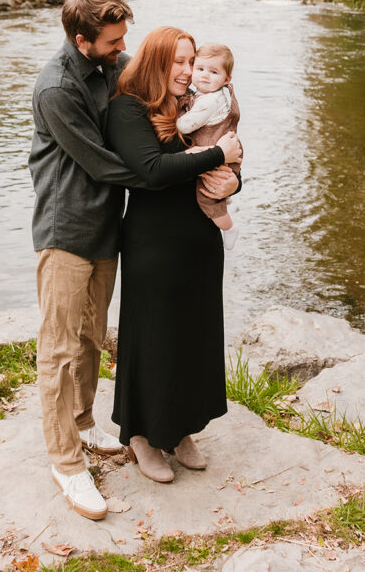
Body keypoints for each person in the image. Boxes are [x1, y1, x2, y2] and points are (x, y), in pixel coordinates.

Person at [106, 26, 242, 483]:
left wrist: (234, 179)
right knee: (153, 333)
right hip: (154, 238)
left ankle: (182, 430)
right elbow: (153, 170)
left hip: (199, 235)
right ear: (156, 63)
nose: (186, 71)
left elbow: (225, 158)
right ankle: (141, 436)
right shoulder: (129, 108)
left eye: (191, 61)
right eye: (177, 62)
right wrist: (218, 154)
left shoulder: (194, 105)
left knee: (194, 333)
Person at [28, 0, 141, 521]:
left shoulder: (109, 65)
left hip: (103, 228)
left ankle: (84, 423)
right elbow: (101, 163)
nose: (124, 48)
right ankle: (66, 463)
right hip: (65, 230)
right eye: (115, 40)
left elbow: (148, 90)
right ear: (82, 40)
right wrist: (164, 179)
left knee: (92, 335)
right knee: (58, 348)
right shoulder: (56, 88)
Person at [176, 43, 241, 250]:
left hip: (217, 154)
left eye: (213, 72)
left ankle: (229, 228)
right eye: (200, 69)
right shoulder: (218, 95)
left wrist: (174, 115)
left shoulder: (209, 101)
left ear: (226, 79)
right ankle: (225, 207)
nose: (204, 76)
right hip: (223, 154)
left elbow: (184, 126)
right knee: (216, 191)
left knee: (207, 198)